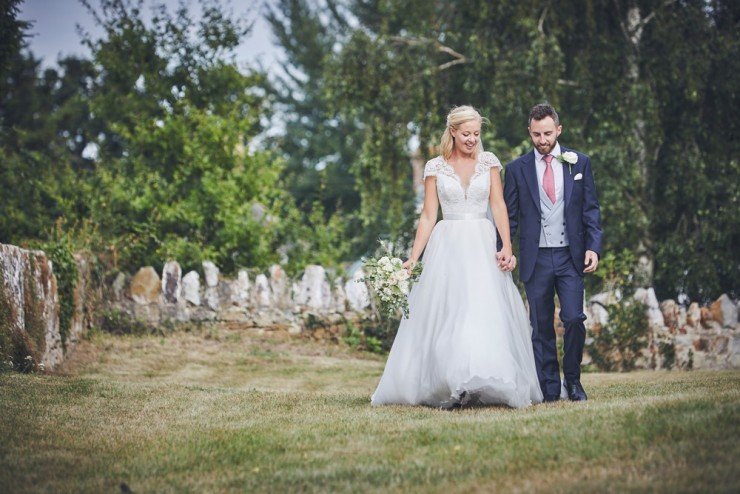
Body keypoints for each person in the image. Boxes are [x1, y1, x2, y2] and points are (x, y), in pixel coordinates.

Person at [370, 106, 543, 409]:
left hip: (481, 244)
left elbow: (499, 205)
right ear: (452, 131)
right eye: (466, 134)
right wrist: (414, 257)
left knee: (481, 311)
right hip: (447, 245)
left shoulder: (488, 163)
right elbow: (427, 216)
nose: (472, 139)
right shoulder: (435, 167)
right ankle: (452, 381)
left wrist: (506, 246)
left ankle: (483, 379)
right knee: (451, 313)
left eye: (477, 134)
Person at [502, 103, 602, 402]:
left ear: (558, 130)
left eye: (547, 133)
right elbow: (511, 216)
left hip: (571, 257)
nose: (542, 140)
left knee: (573, 318)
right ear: (529, 133)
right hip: (536, 259)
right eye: (536, 134)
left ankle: (573, 381)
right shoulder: (516, 169)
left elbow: (590, 210)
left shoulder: (579, 163)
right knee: (541, 325)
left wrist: (593, 248)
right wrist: (505, 249)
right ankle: (548, 388)